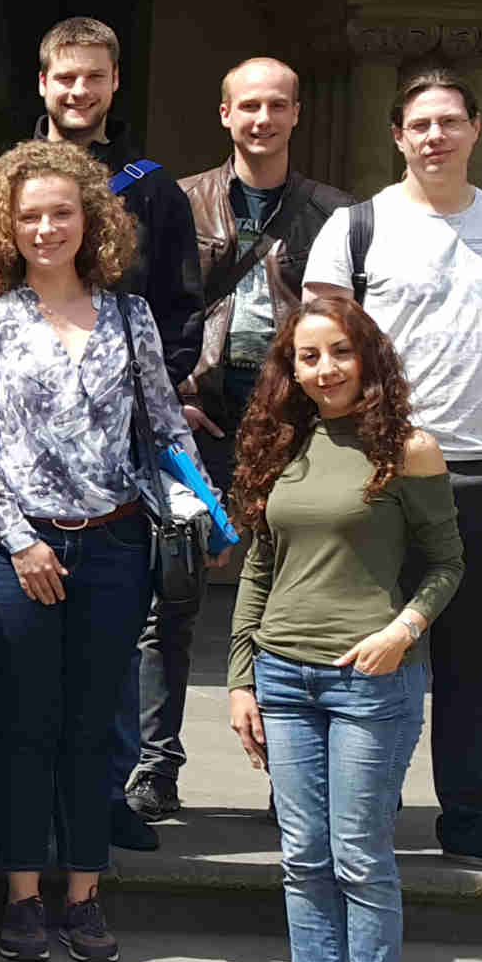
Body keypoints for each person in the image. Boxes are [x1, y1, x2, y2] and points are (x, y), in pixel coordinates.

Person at [302, 68, 482, 881]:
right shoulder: (356, 228)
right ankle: (357, 821)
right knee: (357, 652)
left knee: (473, 659)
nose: (435, 137)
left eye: (450, 121)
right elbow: (314, 353)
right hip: (379, 472)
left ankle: (474, 820)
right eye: (420, 124)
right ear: (398, 136)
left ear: (475, 128)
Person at [0, 141, 196, 962]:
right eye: (30, 217)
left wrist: (197, 504)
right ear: (6, 228)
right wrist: (18, 540)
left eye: (62, 212)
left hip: (115, 545)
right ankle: (22, 896)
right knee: (21, 728)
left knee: (95, 729)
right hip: (21, 552)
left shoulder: (132, 316)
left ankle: (84, 895)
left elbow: (163, 428)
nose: (47, 228)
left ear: (90, 220)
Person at [226, 294, 461, 962]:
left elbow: (446, 564)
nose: (324, 370)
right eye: (307, 357)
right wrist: (239, 677)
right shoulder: (281, 448)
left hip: (371, 678)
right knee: (303, 859)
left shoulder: (410, 450)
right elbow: (259, 570)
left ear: (368, 356)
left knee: (360, 859)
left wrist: (405, 629)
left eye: (338, 353)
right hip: (284, 676)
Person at [132, 56, 351, 821]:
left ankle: (295, 771)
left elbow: (351, 323)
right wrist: (170, 399)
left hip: (293, 425)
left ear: (296, 115)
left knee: (294, 596)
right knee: (172, 595)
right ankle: (155, 767)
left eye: (277, 106)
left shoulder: (335, 212)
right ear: (224, 114)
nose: (262, 119)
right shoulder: (178, 199)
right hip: (197, 419)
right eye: (248, 106)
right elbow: (150, 307)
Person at [23, 18, 200, 383]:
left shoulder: (156, 190)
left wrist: (145, 391)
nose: (80, 90)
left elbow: (181, 310)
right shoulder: (2, 183)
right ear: (43, 83)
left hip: (124, 407)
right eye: (66, 78)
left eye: (95, 77)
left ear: (115, 80)